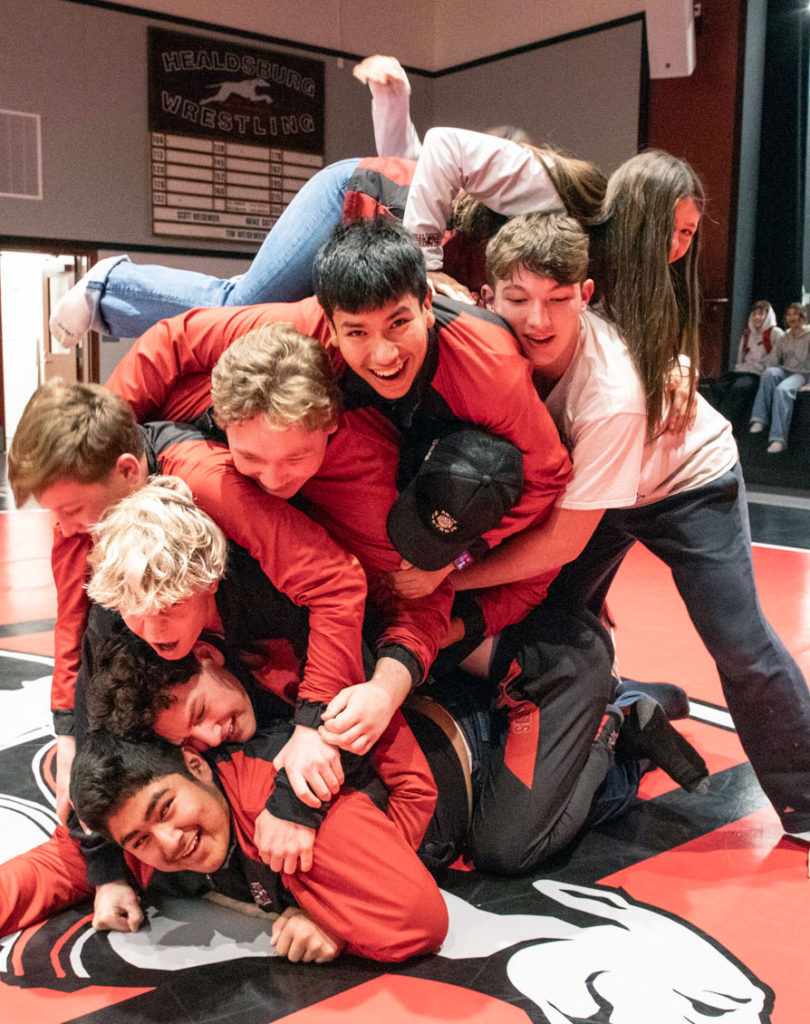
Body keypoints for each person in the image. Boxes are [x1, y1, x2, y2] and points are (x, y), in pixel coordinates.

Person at [440, 209, 810, 843]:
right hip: (602, 486)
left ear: (585, 295)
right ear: (487, 296)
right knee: (546, 622)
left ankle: (804, 793)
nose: (537, 319)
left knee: (738, 641)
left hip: (688, 482)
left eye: (558, 299)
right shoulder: (479, 338)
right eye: (519, 298)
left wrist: (446, 578)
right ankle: (607, 706)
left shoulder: (609, 392)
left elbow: (562, 540)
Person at [7, 381, 368, 821]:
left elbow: (335, 583)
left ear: (127, 471)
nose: (64, 527)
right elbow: (76, 620)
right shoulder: (101, 527)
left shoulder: (207, 483)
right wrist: (68, 735)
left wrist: (313, 724)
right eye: (54, 513)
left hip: (379, 583)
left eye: (71, 510)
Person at [706, 300, 782, 433]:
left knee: (739, 388)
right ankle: (712, 424)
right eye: (754, 313)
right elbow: (741, 357)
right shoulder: (748, 334)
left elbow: (777, 358)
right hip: (743, 370)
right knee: (718, 386)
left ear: (768, 316)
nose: (757, 317)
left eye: (761, 314)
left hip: (758, 374)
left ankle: (728, 429)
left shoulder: (775, 333)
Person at [749, 301, 810, 453]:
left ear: (802, 316)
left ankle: (778, 439)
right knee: (769, 373)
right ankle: (759, 418)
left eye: (795, 314)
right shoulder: (785, 336)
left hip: (802, 373)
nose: (792, 318)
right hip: (786, 370)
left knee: (782, 390)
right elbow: (774, 360)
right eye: (789, 315)